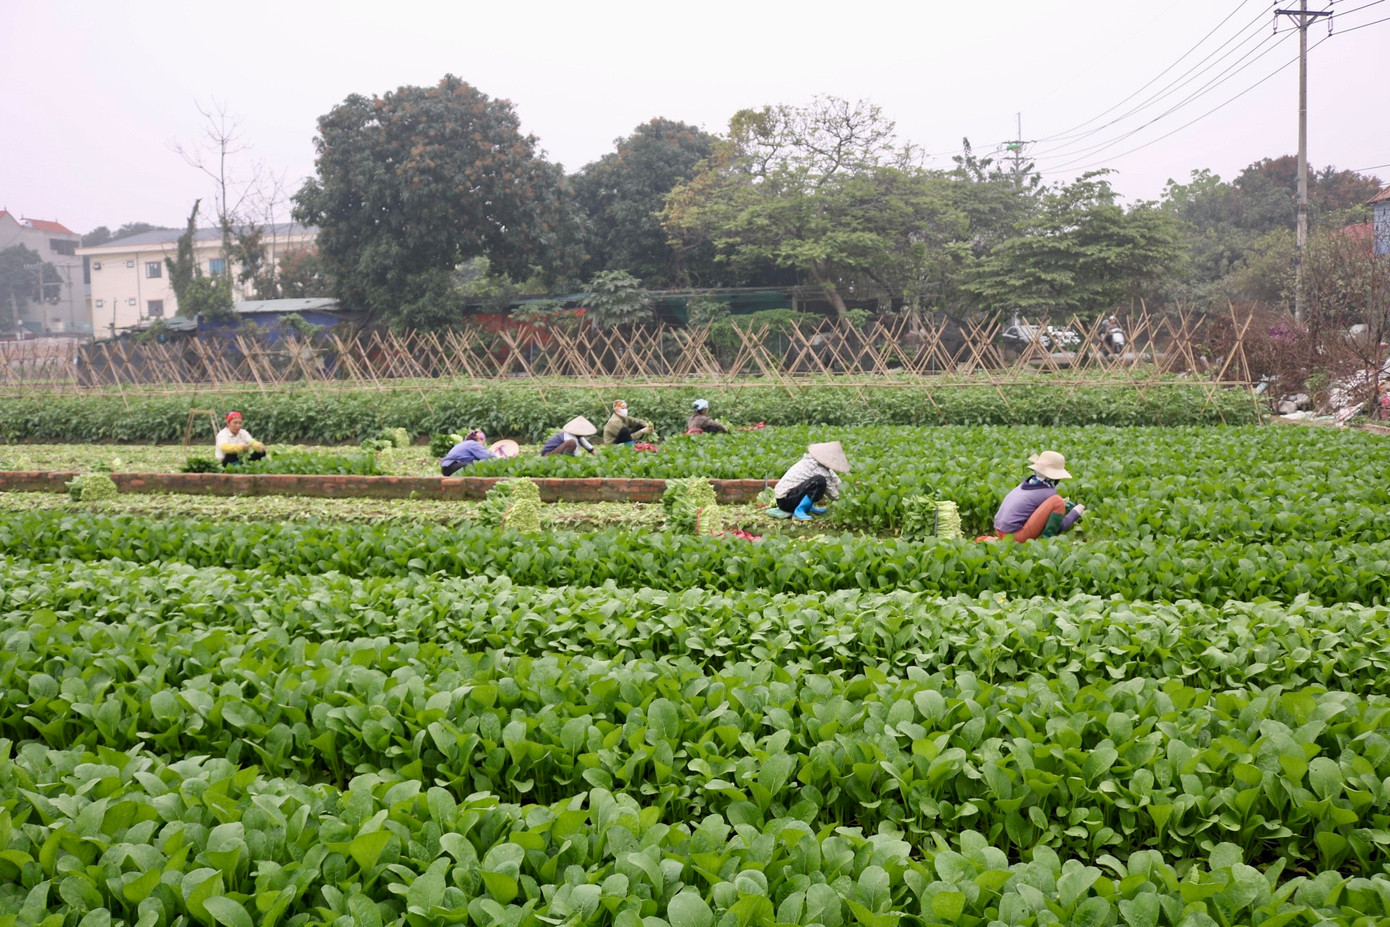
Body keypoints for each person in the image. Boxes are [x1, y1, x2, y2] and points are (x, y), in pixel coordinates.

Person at [992, 450, 1085, 542]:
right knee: (1058, 501)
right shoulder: (1049, 494)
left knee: (1056, 501)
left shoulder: (1025, 484)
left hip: (999, 531)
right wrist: (1076, 512)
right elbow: (1059, 526)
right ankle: (1046, 542)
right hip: (1015, 536)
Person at [774, 441, 849, 520]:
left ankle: (808, 507)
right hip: (785, 501)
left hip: (790, 496)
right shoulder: (815, 466)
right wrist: (844, 502)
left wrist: (846, 493)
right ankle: (799, 511)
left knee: (817, 482)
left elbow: (835, 479)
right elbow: (832, 492)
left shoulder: (820, 464)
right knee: (819, 481)